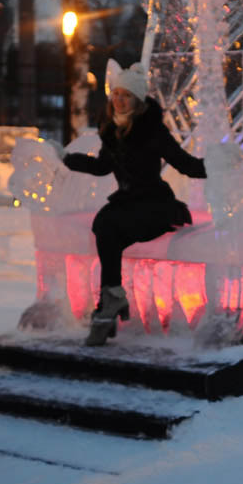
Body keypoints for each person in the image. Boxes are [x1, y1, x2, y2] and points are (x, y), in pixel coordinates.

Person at [63, 63, 206, 346]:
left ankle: (109, 305)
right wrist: (66, 160)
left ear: (138, 100)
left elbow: (186, 165)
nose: (119, 99)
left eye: (126, 95)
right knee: (104, 225)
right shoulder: (112, 130)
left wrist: (222, 165)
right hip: (128, 203)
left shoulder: (152, 130)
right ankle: (112, 298)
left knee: (110, 225)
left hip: (155, 205)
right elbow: (103, 167)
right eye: (116, 93)